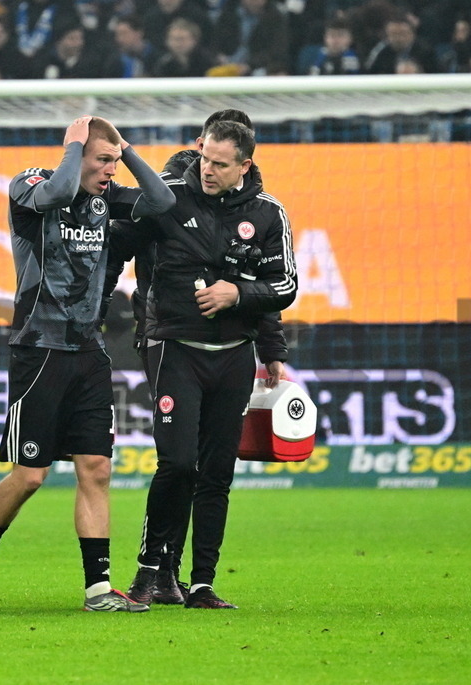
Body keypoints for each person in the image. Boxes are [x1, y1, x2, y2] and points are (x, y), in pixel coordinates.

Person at [0, 115, 175, 612]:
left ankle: (98, 590)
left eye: (113, 163)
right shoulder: (30, 184)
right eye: (102, 160)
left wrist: (126, 149)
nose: (110, 171)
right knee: (30, 475)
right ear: (76, 152)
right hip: (38, 350)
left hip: (88, 352)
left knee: (96, 468)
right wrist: (75, 149)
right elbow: (56, 193)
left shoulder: (107, 199)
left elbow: (163, 202)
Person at [105, 120, 298, 609]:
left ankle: (203, 582)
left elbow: (284, 285)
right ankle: (151, 570)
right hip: (173, 346)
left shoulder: (269, 213)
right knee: (177, 462)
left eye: (219, 163)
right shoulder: (167, 197)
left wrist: (241, 299)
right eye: (203, 157)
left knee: (217, 471)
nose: (206, 169)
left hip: (234, 354)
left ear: (245, 166)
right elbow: (113, 236)